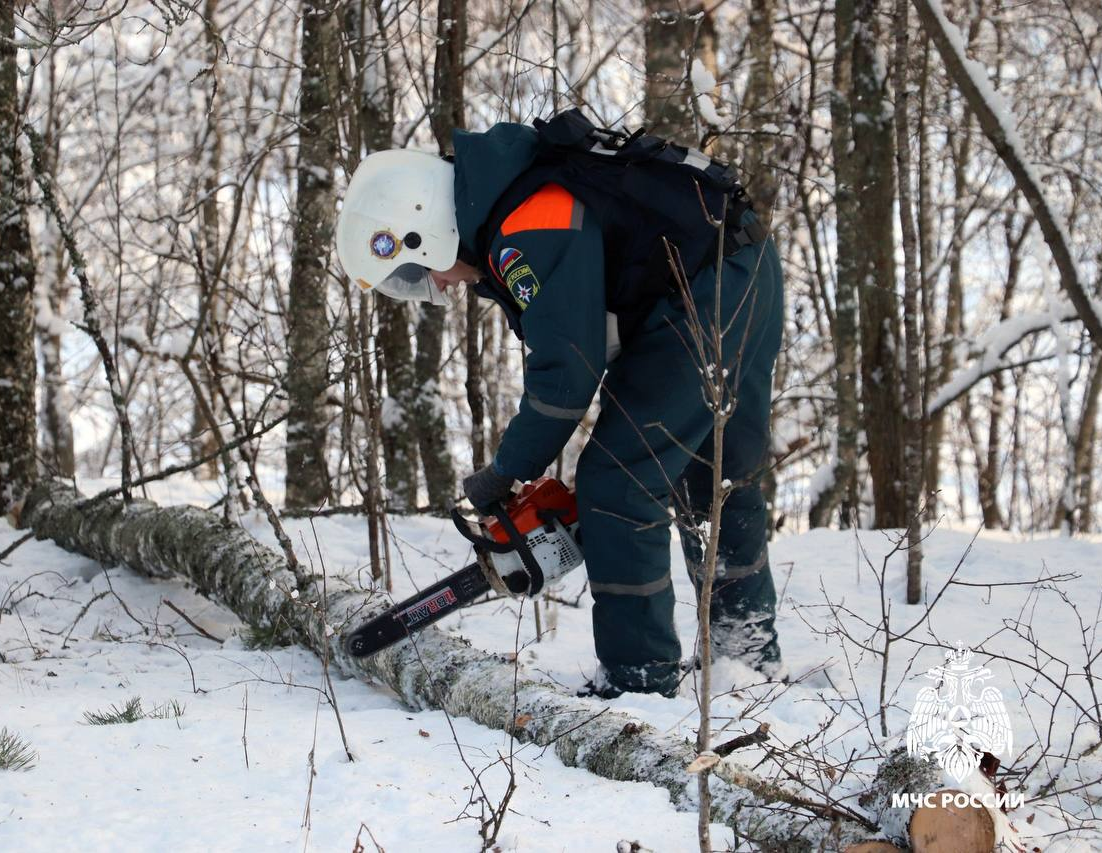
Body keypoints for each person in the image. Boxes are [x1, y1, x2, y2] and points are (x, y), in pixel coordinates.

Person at [335, 110, 784, 697]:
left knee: (619, 485)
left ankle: (638, 678)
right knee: (714, 476)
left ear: (425, 227)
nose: (437, 285)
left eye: (420, 272)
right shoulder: (515, 198)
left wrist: (508, 470)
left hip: (704, 297)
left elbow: (568, 371)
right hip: (740, 271)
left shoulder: (528, 222)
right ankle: (744, 651)